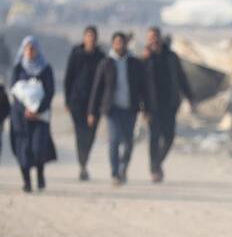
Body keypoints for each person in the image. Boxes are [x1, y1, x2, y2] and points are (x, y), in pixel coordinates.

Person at [88, 32, 150, 185]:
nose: (119, 45)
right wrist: (91, 111)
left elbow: (143, 88)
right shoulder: (106, 63)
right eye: (116, 42)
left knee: (129, 142)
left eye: (121, 42)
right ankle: (115, 173)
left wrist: (146, 108)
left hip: (130, 108)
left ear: (126, 44)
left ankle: (123, 168)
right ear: (112, 44)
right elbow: (97, 88)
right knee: (114, 141)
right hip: (112, 109)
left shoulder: (135, 63)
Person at [142, 27, 195, 182]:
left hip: (170, 104)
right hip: (151, 105)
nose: (153, 40)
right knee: (154, 137)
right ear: (148, 40)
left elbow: (181, 76)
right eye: (150, 37)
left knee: (169, 137)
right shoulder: (145, 59)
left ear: (160, 38)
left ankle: (157, 163)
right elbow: (138, 83)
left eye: (155, 36)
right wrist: (142, 106)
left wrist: (189, 96)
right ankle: (154, 168)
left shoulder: (171, 57)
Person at [9, 36, 57, 192]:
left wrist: (38, 110)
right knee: (23, 149)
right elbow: (14, 92)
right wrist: (25, 110)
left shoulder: (45, 69)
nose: (30, 51)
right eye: (27, 48)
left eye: (33, 48)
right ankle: (27, 182)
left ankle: (40, 174)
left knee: (38, 148)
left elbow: (50, 92)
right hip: (21, 117)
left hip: (40, 117)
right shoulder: (18, 69)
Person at [64, 26, 106, 180]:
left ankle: (84, 160)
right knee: (80, 133)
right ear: (84, 37)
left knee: (91, 135)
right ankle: (83, 165)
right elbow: (69, 77)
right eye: (88, 35)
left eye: (93, 36)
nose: (91, 39)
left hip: (95, 103)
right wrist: (67, 100)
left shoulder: (101, 56)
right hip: (77, 101)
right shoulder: (76, 54)